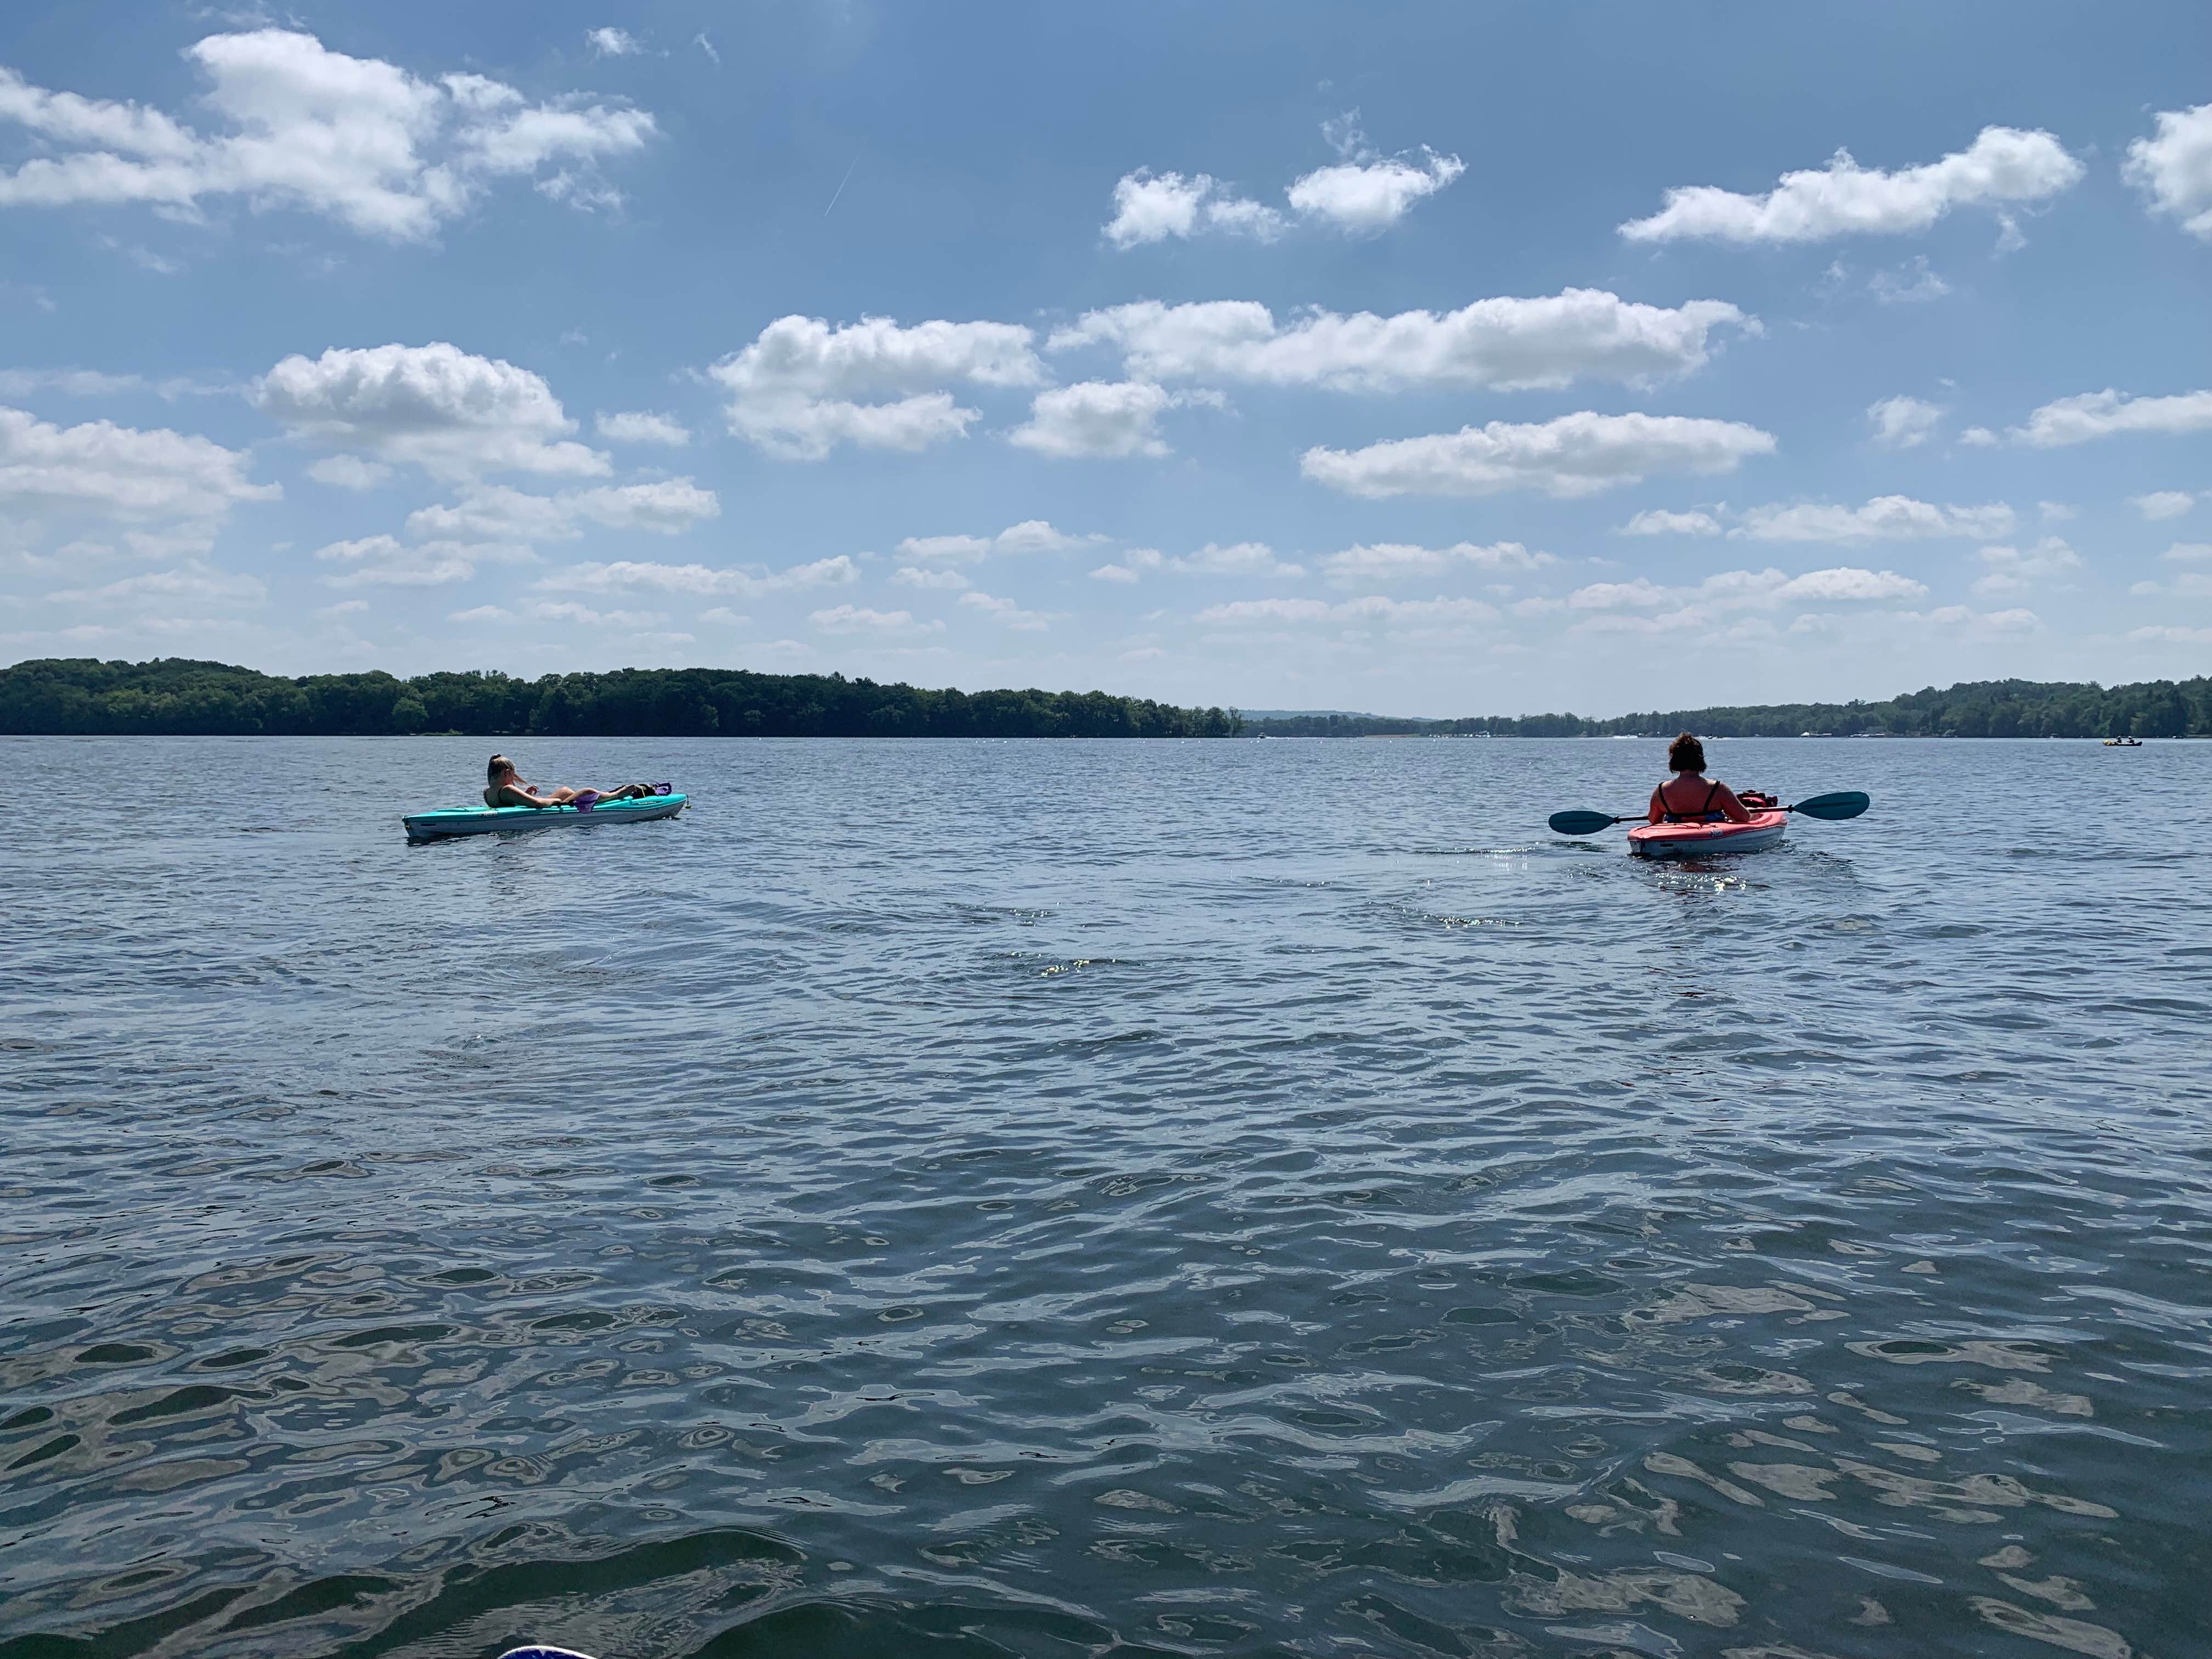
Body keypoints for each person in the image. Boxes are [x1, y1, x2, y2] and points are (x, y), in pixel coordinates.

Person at [483, 754, 657, 810]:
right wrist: (554, 801)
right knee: (588, 791)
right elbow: (537, 805)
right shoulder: (506, 789)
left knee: (566, 790)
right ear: (507, 773)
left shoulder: (488, 792)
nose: (514, 780)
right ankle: (618, 794)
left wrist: (524, 795)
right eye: (513, 776)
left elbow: (508, 803)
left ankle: (608, 796)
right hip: (551, 807)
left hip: (548, 805)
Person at [1649, 732, 1752, 825]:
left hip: (1676, 840)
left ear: (1674, 760)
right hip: (1712, 838)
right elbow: (1744, 817)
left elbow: (1654, 821)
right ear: (1700, 759)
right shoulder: (1718, 789)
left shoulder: (1662, 791)